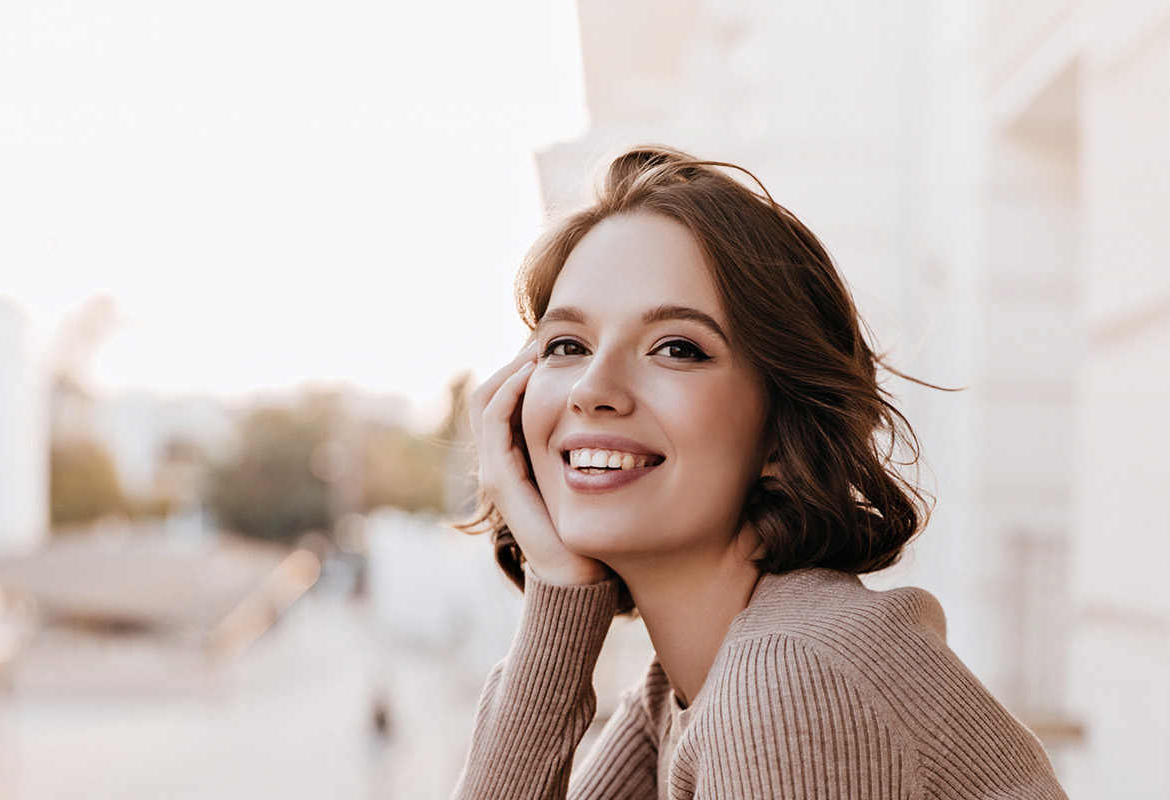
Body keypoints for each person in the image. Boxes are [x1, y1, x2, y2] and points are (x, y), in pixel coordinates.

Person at [451, 145, 1067, 799]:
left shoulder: (788, 673)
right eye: (566, 345)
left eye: (678, 348)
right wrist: (558, 588)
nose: (593, 389)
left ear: (781, 428)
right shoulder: (680, 689)